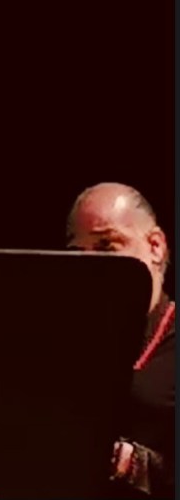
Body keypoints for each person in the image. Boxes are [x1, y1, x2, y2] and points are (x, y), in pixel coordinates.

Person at [66, 182, 174, 498]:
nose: (90, 267)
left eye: (107, 247)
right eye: (77, 253)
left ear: (155, 246)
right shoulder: (65, 339)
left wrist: (138, 464)